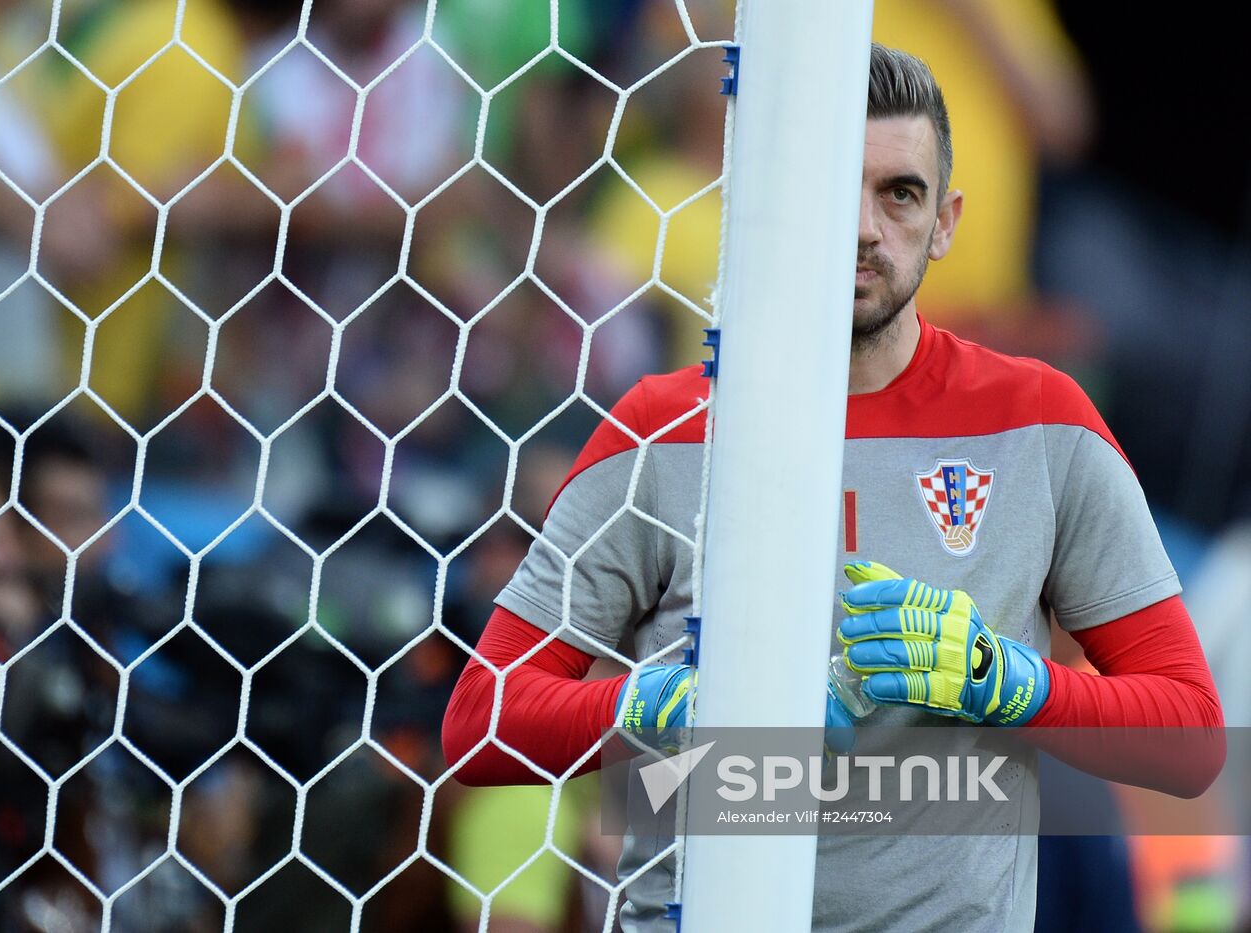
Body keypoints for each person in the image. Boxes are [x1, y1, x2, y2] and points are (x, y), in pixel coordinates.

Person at [441, 43, 1224, 931]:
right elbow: (481, 719)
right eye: (834, 185)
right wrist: (664, 702)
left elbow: (1191, 737)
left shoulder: (1042, 422)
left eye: (901, 193)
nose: (864, 227)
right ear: (775, 199)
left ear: (946, 222)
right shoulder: (661, 428)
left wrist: (1006, 681)